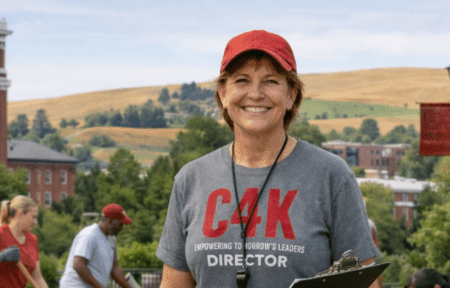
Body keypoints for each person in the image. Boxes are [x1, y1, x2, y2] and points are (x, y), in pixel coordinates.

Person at [156, 30, 381, 287]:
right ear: (222, 92)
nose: (255, 94)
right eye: (242, 80)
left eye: (271, 81)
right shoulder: (191, 179)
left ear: (291, 95)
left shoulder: (331, 176)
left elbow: (365, 283)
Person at [60, 203, 134, 288]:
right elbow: (78, 265)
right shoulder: (89, 235)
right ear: (110, 221)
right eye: (120, 224)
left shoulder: (112, 239)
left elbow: (114, 269)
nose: (121, 228)